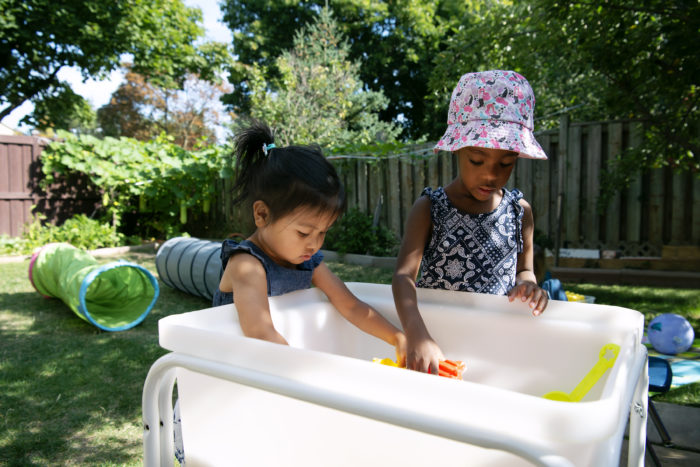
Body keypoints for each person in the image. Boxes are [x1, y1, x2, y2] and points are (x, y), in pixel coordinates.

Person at [392, 70, 550, 375]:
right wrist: (416, 333)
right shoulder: (430, 208)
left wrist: (529, 286)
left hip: (492, 342)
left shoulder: (520, 212)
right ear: (457, 150)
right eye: (477, 160)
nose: (491, 174)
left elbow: (525, 270)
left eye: (506, 163)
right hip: (434, 338)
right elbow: (402, 278)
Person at [214, 119, 406, 359]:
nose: (314, 244)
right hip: (233, 368)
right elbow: (260, 333)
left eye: (323, 232)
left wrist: (397, 338)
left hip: (273, 367)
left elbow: (351, 306)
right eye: (303, 233)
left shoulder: (308, 260)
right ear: (262, 214)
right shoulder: (247, 266)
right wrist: (304, 373)